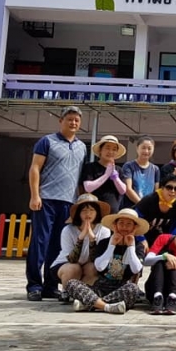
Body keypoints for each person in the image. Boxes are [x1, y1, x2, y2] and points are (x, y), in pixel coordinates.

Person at [26, 105, 87, 302]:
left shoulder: (82, 147)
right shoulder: (47, 141)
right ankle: (34, 286)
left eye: (76, 120)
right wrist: (35, 195)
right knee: (40, 243)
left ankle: (50, 286)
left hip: (68, 203)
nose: (73, 123)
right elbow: (35, 168)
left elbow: (79, 178)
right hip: (46, 200)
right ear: (61, 121)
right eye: (69, 119)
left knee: (58, 246)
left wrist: (79, 204)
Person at [65, 208, 149, 314]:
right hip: (101, 286)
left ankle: (91, 304)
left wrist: (131, 246)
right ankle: (107, 307)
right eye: (121, 223)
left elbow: (136, 269)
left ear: (134, 227)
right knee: (71, 284)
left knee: (133, 289)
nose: (124, 227)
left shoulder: (138, 246)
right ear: (115, 225)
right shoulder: (104, 243)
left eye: (128, 224)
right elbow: (99, 267)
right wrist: (112, 245)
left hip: (122, 288)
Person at [50, 194, 111, 301]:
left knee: (93, 267)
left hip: (89, 264)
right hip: (66, 265)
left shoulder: (104, 230)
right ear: (78, 213)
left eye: (91, 210)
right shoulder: (68, 230)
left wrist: (92, 239)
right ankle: (67, 291)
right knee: (74, 268)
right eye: (84, 210)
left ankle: (85, 294)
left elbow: (97, 259)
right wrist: (80, 239)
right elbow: (72, 259)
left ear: (97, 212)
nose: (88, 214)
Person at [80, 135, 127, 213]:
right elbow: (88, 187)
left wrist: (115, 177)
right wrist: (106, 175)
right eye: (107, 148)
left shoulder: (119, 169)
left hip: (113, 213)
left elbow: (123, 190)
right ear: (100, 150)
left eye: (114, 149)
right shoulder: (90, 167)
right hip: (94, 212)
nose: (110, 152)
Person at [135, 174, 176, 245]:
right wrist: (142, 239)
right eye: (169, 187)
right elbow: (136, 220)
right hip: (137, 233)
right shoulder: (149, 200)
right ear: (162, 188)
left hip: (156, 235)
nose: (173, 191)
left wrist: (169, 239)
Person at [120, 136, 160, 210]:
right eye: (143, 148)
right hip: (131, 209)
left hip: (148, 209)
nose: (146, 151)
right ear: (137, 148)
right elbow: (128, 189)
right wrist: (142, 205)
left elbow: (156, 192)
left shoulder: (155, 169)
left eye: (149, 148)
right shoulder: (128, 166)